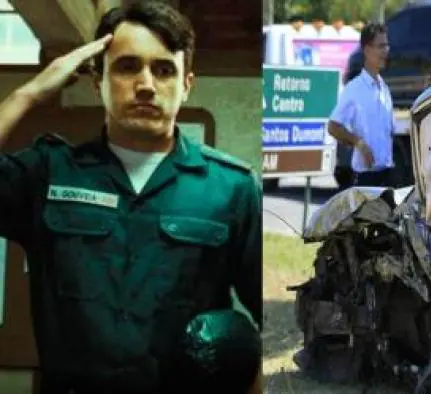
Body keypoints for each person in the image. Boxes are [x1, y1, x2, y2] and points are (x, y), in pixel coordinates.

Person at [0, 1, 262, 393]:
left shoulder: (233, 188)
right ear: (97, 82)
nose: (145, 84)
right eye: (127, 67)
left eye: (163, 70)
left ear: (186, 84)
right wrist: (30, 93)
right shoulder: (48, 174)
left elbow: (271, 324)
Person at [327, 23, 396, 187]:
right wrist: (358, 142)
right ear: (366, 50)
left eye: (387, 45)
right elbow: (333, 126)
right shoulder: (354, 88)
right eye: (380, 46)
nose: (386, 51)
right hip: (365, 178)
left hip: (387, 175)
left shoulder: (384, 88)